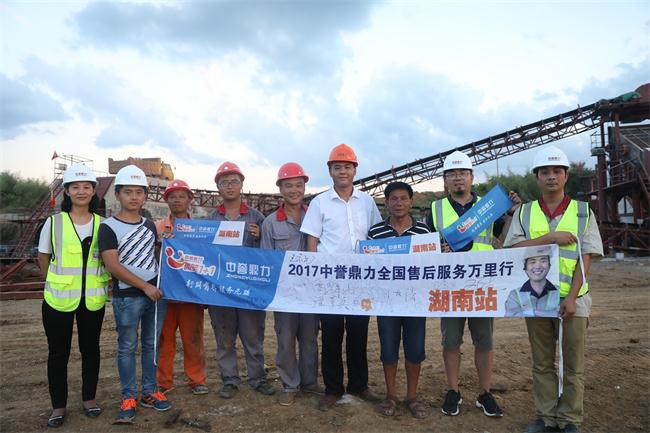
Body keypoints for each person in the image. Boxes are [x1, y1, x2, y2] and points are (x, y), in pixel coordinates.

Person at [504, 145, 603, 433]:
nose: (551, 176)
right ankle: (546, 418)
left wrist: (571, 297)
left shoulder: (582, 212)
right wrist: (550, 238)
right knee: (542, 363)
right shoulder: (524, 212)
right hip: (535, 299)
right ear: (537, 177)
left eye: (557, 171)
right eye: (545, 172)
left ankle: (570, 419)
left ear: (565, 176)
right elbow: (513, 249)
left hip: (573, 300)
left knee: (573, 365)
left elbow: (586, 257)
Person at [425, 150, 520, 418]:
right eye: (452, 174)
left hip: (482, 285)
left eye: (463, 173)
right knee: (451, 341)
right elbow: (425, 246)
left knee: (484, 342)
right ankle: (453, 391)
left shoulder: (489, 207)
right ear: (445, 180)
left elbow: (506, 237)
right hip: (450, 286)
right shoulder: (435, 209)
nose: (458, 178)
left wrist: (512, 213)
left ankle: (485, 393)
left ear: (471, 177)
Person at [300, 143, 383, 411]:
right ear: (330, 171)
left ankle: (359, 385)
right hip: (330, 281)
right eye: (337, 167)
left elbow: (377, 236)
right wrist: (314, 275)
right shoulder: (320, 203)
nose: (343, 171)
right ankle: (333, 389)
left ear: (355, 170)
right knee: (331, 336)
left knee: (359, 334)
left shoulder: (367, 202)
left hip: (361, 280)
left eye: (347, 167)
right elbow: (312, 240)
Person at [38, 164, 110, 428]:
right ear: (67, 191)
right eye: (75, 187)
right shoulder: (53, 223)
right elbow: (43, 258)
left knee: (91, 350)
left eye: (86, 187)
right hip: (58, 299)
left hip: (92, 299)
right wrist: (56, 283)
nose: (81, 191)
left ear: (93, 191)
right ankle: (58, 405)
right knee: (58, 353)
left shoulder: (103, 225)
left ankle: (89, 399)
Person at [98, 165, 170, 424]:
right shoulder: (108, 227)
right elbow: (113, 265)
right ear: (118, 194)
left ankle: (150, 391)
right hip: (128, 297)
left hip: (154, 296)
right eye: (128, 192)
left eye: (139, 192)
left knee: (151, 345)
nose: (134, 197)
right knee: (127, 347)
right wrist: (145, 286)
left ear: (145, 196)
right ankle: (128, 396)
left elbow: (153, 257)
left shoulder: (149, 225)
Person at [207, 161, 275, 399]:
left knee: (253, 337)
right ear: (218, 187)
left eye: (234, 181)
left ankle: (258, 378)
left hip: (249, 291)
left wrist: (260, 237)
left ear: (242, 185)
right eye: (224, 182)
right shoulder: (210, 220)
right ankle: (230, 380)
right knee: (224, 339)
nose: (229, 186)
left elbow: (268, 254)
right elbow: (203, 253)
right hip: (221, 292)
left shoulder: (257, 218)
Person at [261, 162, 324, 407]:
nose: (294, 190)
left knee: (309, 338)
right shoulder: (270, 223)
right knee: (285, 340)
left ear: (304, 187)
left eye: (299, 185)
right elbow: (267, 260)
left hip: (311, 293)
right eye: (288, 185)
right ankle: (289, 385)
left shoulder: (316, 216)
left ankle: (309, 382)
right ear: (280, 189)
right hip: (285, 294)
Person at [366, 181, 430, 419]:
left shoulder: (424, 233)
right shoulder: (375, 233)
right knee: (388, 350)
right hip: (387, 302)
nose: (399, 203)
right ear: (386, 203)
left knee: (415, 350)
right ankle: (391, 396)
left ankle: (412, 397)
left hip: (415, 302)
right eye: (394, 199)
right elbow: (367, 266)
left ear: (411, 202)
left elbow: (432, 266)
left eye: (404, 198)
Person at [155, 180, 208, 396]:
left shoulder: (200, 230)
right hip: (164, 295)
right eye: (172, 196)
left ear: (190, 199)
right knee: (164, 340)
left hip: (191, 295)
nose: (177, 200)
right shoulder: (158, 227)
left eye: (181, 196)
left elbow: (209, 259)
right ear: (166, 200)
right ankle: (163, 382)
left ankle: (197, 380)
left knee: (193, 339)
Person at [505, 246, 560, 318]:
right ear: (525, 267)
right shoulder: (515, 295)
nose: (537, 266)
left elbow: (562, 313)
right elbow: (511, 317)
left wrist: (532, 312)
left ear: (549, 265)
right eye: (532, 262)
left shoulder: (559, 291)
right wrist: (545, 313)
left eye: (543, 261)